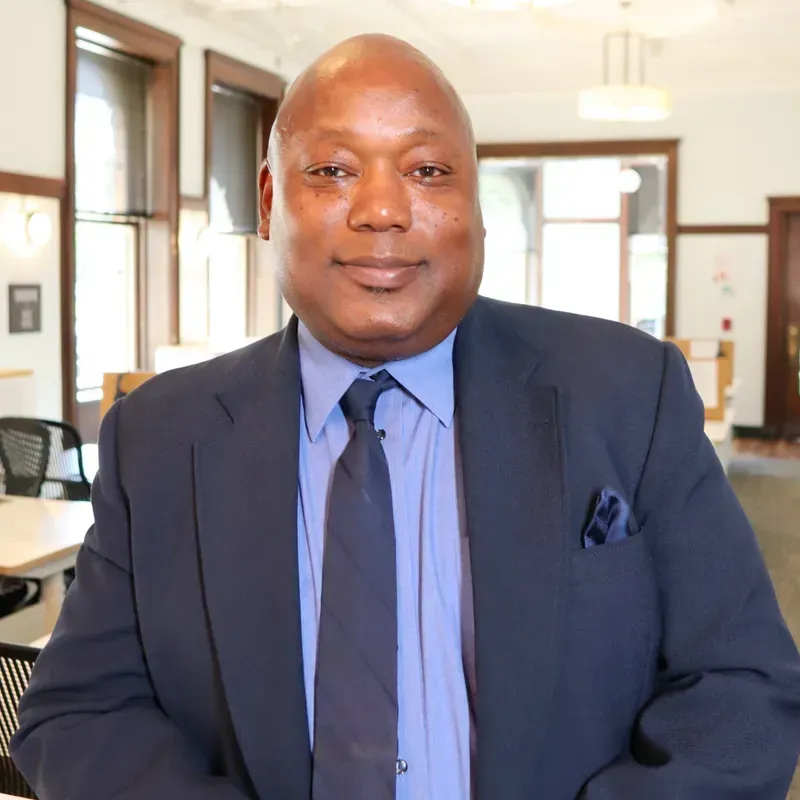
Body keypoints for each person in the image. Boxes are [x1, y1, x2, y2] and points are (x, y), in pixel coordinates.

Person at [11, 33, 800, 800]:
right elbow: (79, 712)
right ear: (267, 201)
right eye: (331, 169)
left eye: (427, 170)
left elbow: (745, 687)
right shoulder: (159, 436)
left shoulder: (629, 392)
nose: (383, 209)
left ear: (477, 208)